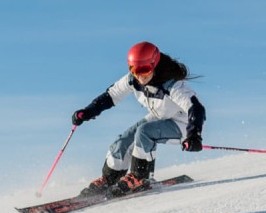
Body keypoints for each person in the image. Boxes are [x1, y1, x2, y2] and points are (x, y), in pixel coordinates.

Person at [72, 41, 206, 197]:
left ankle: (140, 177)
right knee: (123, 141)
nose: (140, 75)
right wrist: (88, 112)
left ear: (154, 64)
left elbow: (196, 109)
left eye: (145, 69)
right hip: (159, 116)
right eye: (135, 70)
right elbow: (111, 96)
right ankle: (110, 178)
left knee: (144, 132)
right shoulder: (133, 80)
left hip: (184, 124)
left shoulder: (172, 85)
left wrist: (194, 135)